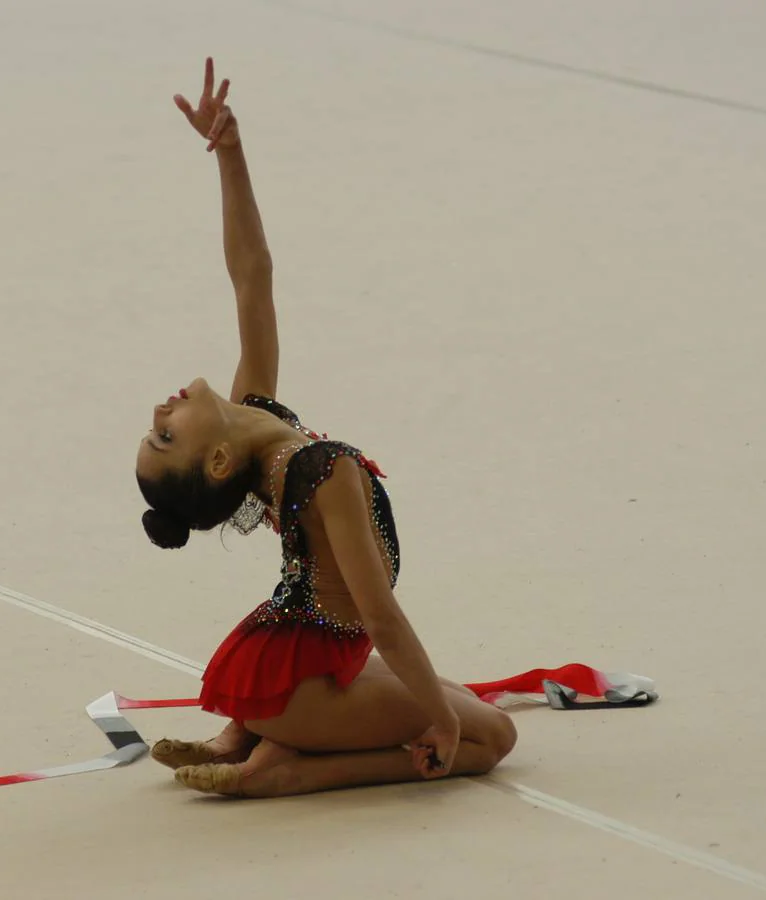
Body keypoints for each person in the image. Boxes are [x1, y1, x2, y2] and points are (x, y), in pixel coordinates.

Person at [135, 58, 517, 798]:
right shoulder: (323, 469)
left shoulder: (261, 419)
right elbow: (378, 612)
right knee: (487, 736)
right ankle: (284, 768)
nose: (160, 410)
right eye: (165, 434)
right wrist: (437, 719)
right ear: (216, 461)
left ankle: (247, 735)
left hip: (282, 657)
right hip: (301, 681)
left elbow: (252, 274)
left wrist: (229, 153)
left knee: (460, 702)